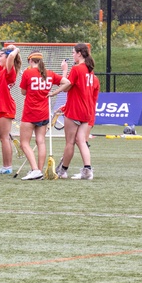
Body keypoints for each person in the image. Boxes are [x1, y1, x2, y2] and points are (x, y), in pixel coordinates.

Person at [50, 42, 99, 180]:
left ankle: (63, 171)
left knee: (70, 142)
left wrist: (64, 71)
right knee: (81, 141)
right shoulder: (90, 70)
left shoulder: (77, 69)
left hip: (75, 110)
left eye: (73, 53)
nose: (72, 55)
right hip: (86, 111)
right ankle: (87, 169)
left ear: (79, 53)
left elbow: (66, 87)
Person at [18, 51, 64, 180]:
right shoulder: (49, 73)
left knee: (24, 143)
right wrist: (54, 92)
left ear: (31, 61)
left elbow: (23, 92)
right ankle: (39, 170)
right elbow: (66, 82)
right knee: (41, 141)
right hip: (44, 112)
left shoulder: (28, 73)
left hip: (30, 112)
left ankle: (35, 170)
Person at [0, 45, 20, 174]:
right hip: (1, 107)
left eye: (2, 56)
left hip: (5, 107)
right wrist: (3, 50)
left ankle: (7, 167)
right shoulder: (1, 69)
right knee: (3, 138)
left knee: (4, 138)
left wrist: (15, 49)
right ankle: (6, 166)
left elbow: (12, 56)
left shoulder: (9, 71)